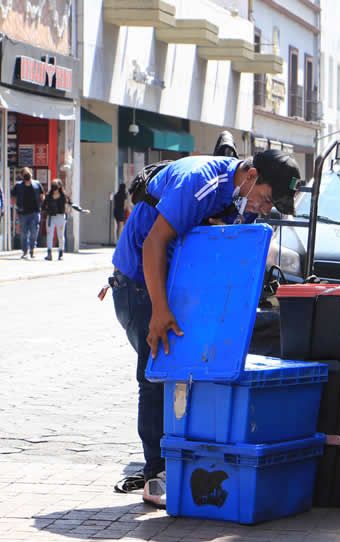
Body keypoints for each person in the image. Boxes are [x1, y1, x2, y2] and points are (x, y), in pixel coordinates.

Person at [110, 150, 299, 508]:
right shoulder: (201, 182)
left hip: (173, 284)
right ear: (252, 175)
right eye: (267, 198)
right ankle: (157, 474)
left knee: (187, 371)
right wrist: (159, 311)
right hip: (140, 284)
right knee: (157, 375)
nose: (264, 207)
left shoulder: (237, 196)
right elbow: (153, 243)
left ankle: (183, 463)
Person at [12, 168, 44, 259]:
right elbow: (13, 197)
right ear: (22, 176)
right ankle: (25, 251)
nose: (27, 176)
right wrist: (16, 206)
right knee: (23, 233)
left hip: (35, 212)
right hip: (23, 213)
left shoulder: (37, 184)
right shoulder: (18, 186)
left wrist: (41, 202)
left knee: (34, 232)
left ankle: (32, 250)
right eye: (25, 174)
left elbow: (42, 194)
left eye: (28, 174)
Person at [44, 179, 71, 261]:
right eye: (53, 187)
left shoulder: (64, 196)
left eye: (56, 187)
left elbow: (70, 203)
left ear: (59, 187)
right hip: (51, 217)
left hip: (60, 216)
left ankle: (61, 253)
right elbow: (44, 205)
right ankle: (49, 253)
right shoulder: (48, 195)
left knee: (60, 235)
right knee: (49, 234)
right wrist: (47, 208)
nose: (54, 190)